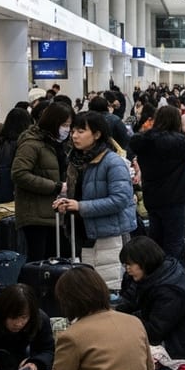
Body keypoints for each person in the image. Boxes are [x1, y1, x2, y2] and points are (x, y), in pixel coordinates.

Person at [55, 111, 137, 290]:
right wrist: (64, 202)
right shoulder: (75, 162)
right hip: (83, 234)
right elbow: (75, 193)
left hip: (108, 235)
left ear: (97, 134)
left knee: (108, 289)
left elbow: (120, 200)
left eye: (81, 131)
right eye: (73, 131)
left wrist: (80, 206)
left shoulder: (112, 162)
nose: (75, 136)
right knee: (88, 289)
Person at [117, 236, 185, 365]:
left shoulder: (171, 291)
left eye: (130, 264)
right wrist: (116, 311)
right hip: (171, 338)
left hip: (183, 352)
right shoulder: (154, 273)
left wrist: (124, 319)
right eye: (125, 265)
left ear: (144, 261)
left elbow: (155, 333)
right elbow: (131, 298)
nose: (127, 269)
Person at [130, 105, 185, 265]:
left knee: (156, 238)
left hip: (152, 197)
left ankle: (155, 271)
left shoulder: (143, 141)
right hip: (174, 198)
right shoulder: (178, 142)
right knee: (174, 242)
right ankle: (170, 275)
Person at [12, 102, 72, 260]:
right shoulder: (31, 143)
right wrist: (56, 187)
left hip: (53, 212)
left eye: (69, 125)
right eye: (64, 124)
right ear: (53, 122)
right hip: (34, 214)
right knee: (38, 263)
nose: (67, 129)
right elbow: (19, 174)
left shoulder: (57, 144)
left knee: (54, 262)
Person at [0, 284, 54, 370]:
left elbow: (48, 350)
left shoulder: (38, 320)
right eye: (13, 317)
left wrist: (35, 363)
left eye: (24, 317)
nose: (18, 323)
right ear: (2, 312)